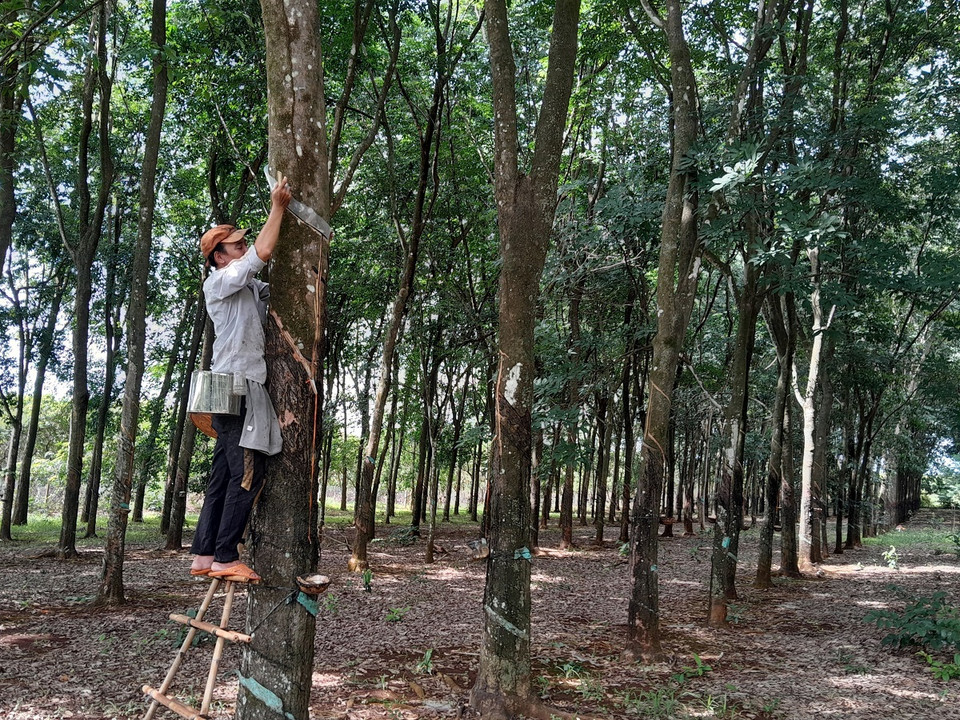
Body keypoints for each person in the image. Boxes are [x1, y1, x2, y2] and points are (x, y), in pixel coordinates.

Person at [188, 173, 292, 583]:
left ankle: (203, 553)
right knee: (249, 472)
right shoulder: (221, 280)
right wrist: (278, 207)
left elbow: (265, 276)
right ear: (218, 256)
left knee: (222, 475)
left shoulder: (243, 285)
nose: (244, 247)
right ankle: (226, 556)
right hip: (235, 385)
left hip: (225, 386)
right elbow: (263, 252)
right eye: (235, 245)